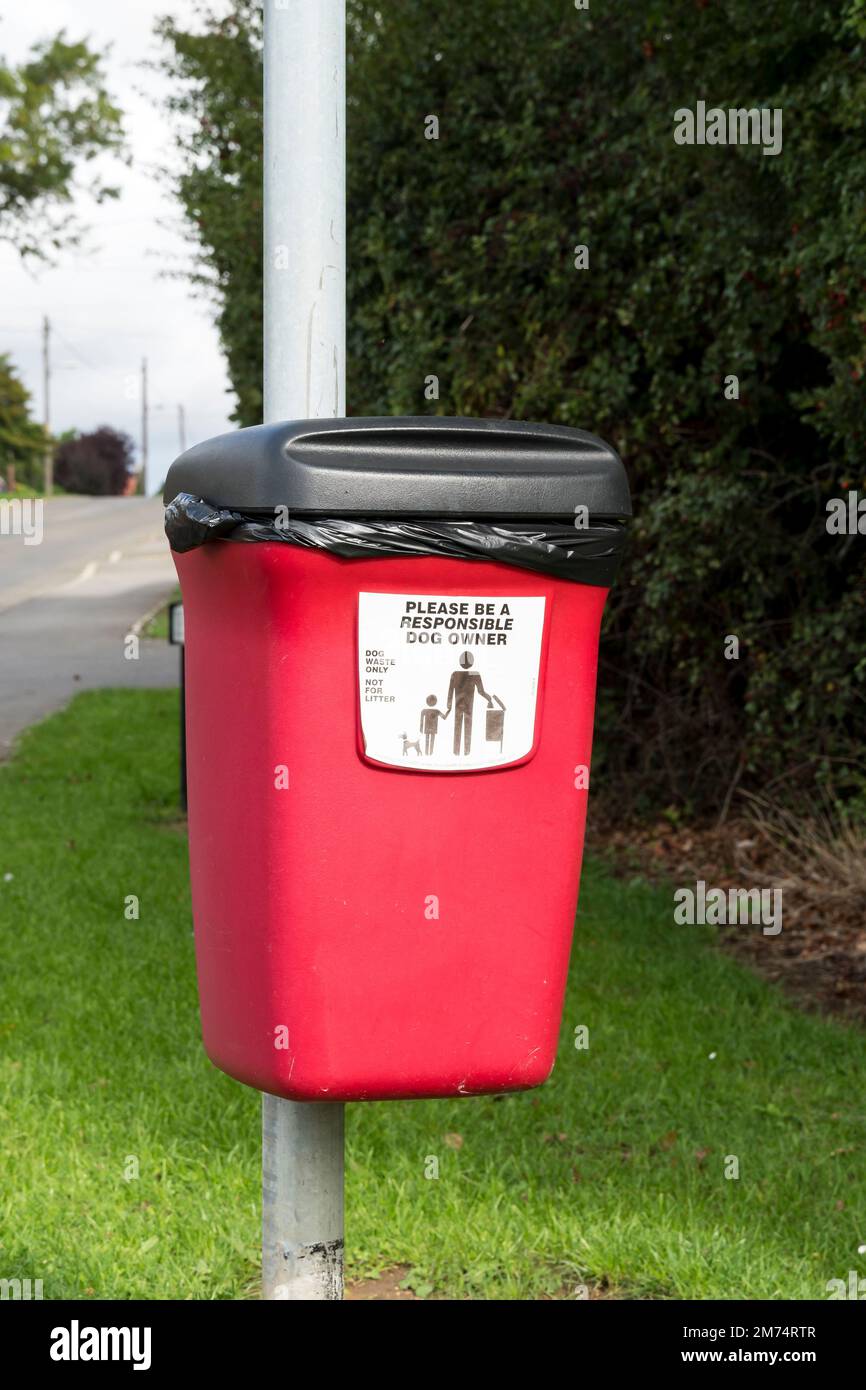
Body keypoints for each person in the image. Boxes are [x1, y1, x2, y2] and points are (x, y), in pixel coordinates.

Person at [445, 651, 492, 756]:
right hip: (468, 706)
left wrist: (449, 706)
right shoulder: (475, 674)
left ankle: (456, 752)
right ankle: (466, 752)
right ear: (472, 662)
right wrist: (489, 699)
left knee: (457, 727)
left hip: (458, 705)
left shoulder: (455, 674)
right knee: (468, 727)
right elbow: (481, 691)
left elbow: (450, 691)